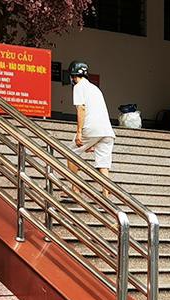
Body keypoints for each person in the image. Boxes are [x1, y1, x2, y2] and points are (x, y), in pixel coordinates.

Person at [66, 61, 115, 201]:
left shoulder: (78, 87)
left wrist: (79, 132)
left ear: (73, 76)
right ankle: (106, 194)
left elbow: (81, 109)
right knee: (103, 164)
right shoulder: (95, 88)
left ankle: (75, 189)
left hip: (92, 128)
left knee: (70, 153)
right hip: (107, 130)